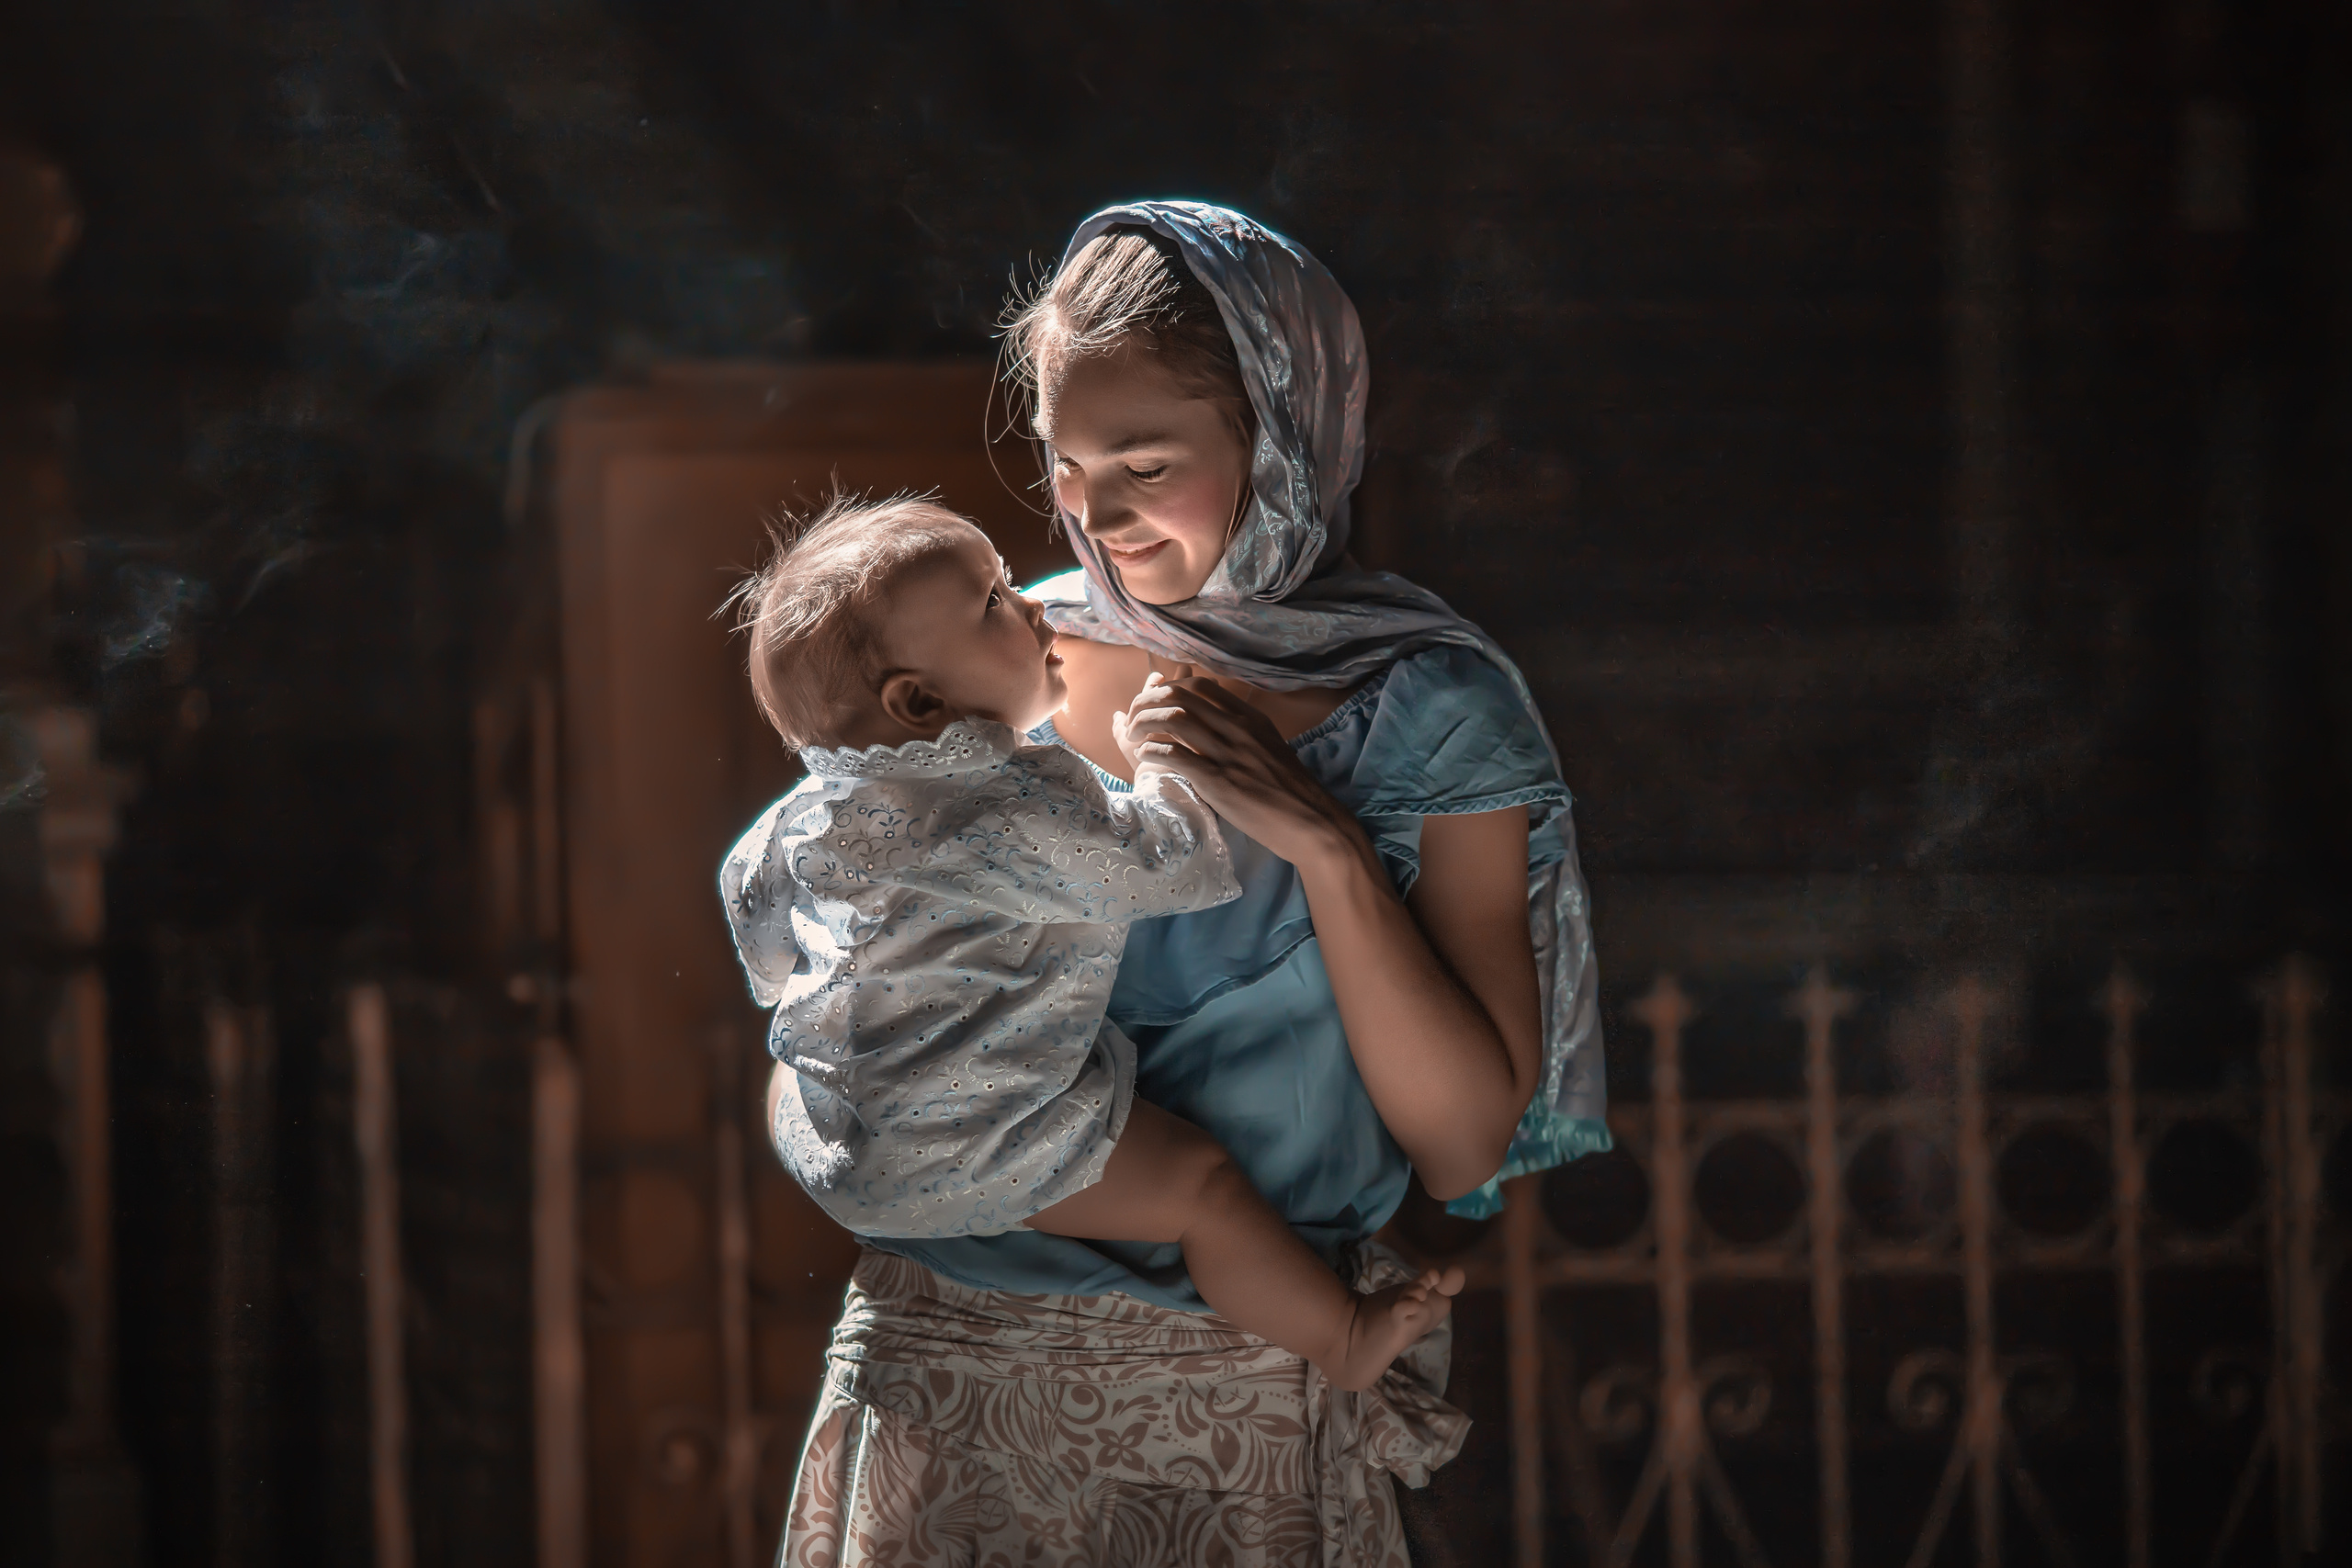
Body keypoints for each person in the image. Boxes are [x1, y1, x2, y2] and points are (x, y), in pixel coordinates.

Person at [770, 201, 1609, 1568]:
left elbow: (1461, 1148)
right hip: (950, 1399)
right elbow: (835, 929)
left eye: (1145, 464)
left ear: (1282, 440)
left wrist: (1323, 848)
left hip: (1239, 1413)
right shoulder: (1007, 656)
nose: (1094, 517)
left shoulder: (1430, 709)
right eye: (1062, 464)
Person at [719, 495, 1464, 1393]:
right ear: (919, 700)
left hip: (839, 1154)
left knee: (794, 1078)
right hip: (986, 1138)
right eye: (994, 602)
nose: (1035, 606)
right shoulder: (1009, 808)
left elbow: (751, 919)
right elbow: (1175, 864)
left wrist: (810, 985)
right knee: (1203, 1191)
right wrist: (1163, 757)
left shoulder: (799, 818)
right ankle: (1342, 1336)